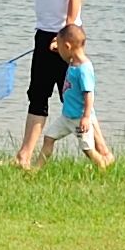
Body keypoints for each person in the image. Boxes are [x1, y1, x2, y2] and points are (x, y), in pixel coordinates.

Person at [9, 0, 84, 170]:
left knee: (74, 97)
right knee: (38, 94)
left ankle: (103, 152)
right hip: (45, 34)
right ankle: (24, 157)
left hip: (60, 39)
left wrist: (65, 35)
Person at [32, 24, 113, 169]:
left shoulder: (84, 69)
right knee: (48, 138)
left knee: (88, 150)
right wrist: (57, 47)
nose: (59, 52)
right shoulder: (72, 61)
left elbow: (89, 94)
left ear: (68, 46)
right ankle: (36, 170)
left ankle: (102, 167)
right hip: (66, 117)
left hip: (79, 118)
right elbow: (66, 54)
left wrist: (86, 117)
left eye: (61, 48)